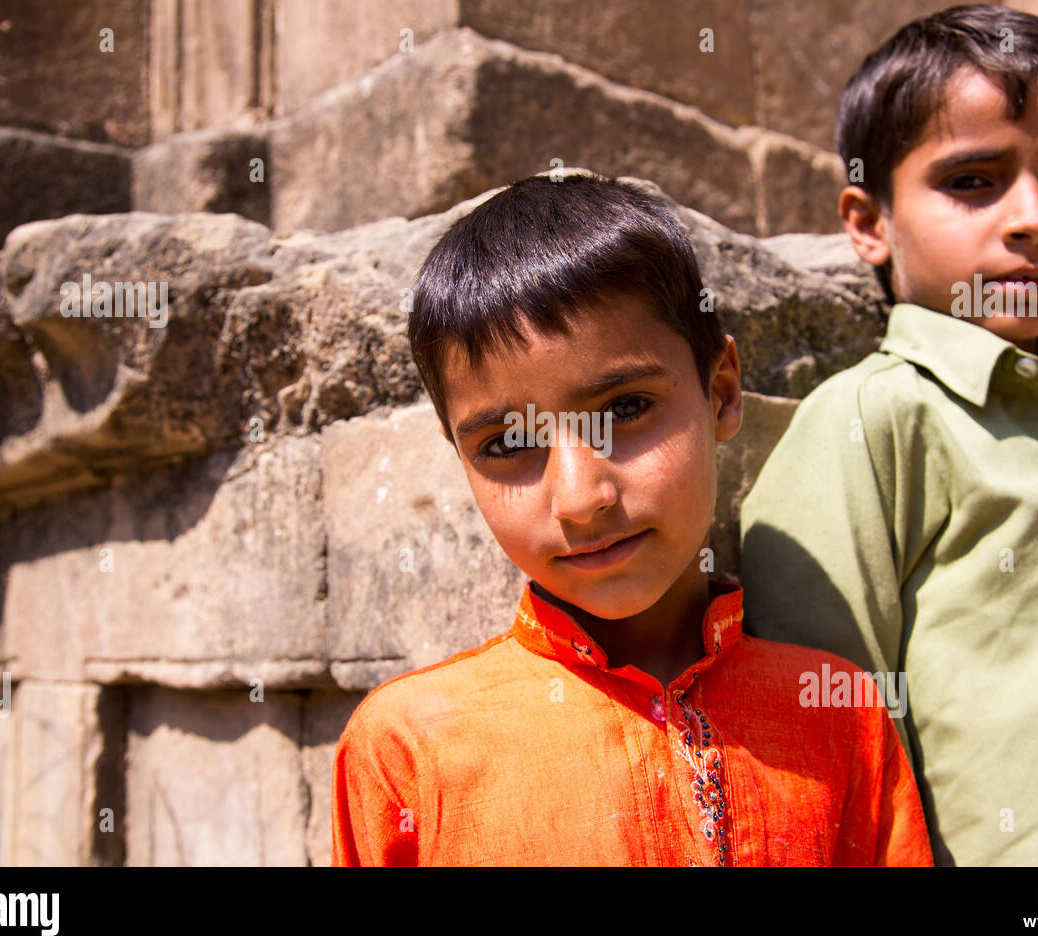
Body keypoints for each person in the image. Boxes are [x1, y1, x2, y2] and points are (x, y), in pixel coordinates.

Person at [330, 171, 933, 865]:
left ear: (722, 392)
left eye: (624, 410)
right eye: (507, 444)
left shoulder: (837, 712)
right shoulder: (407, 748)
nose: (581, 498)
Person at [740, 4, 1038, 865]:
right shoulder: (873, 420)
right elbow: (817, 735)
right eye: (973, 180)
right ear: (869, 223)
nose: (1034, 216)